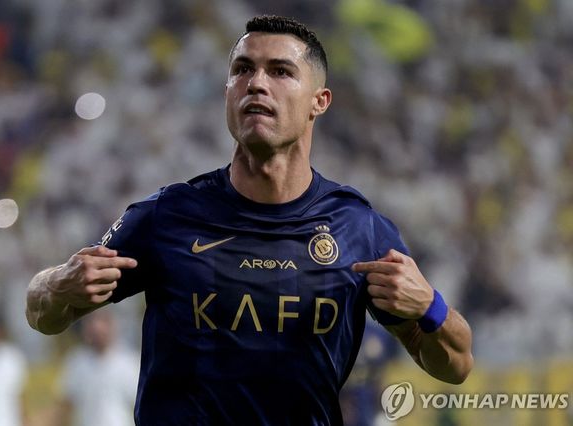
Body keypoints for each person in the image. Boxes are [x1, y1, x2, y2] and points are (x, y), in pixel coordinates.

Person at [26, 15, 473, 425]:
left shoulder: (358, 228)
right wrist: (57, 284)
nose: (257, 83)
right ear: (227, 93)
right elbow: (42, 313)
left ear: (319, 101)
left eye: (280, 72)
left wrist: (430, 306)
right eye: (243, 70)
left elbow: (456, 365)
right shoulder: (167, 215)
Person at [59, 309, 139, 426]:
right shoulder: (76, 361)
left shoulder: (130, 362)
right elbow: (66, 405)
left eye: (103, 321)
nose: (97, 327)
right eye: (91, 322)